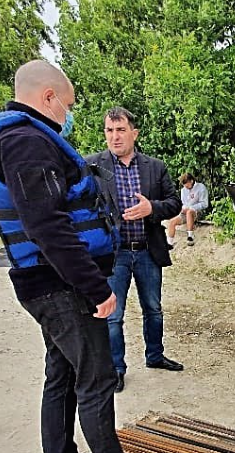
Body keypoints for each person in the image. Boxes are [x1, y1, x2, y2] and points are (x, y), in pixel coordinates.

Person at [0, 60, 167, 453]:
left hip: (49, 280)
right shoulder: (25, 141)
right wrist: (95, 287)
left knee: (60, 371)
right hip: (59, 284)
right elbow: (48, 225)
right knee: (96, 377)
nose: (69, 113)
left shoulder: (17, 138)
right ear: (48, 97)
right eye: (68, 103)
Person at [85, 107, 184, 393]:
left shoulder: (155, 167)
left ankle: (154, 355)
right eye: (109, 130)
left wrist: (151, 208)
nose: (114, 137)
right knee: (113, 315)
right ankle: (116, 368)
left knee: (153, 309)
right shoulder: (92, 166)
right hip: (113, 255)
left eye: (120, 130)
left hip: (147, 251)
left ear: (134, 133)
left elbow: (174, 203)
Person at [167, 173, 209, 247]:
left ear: (191, 181)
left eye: (186, 184)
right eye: (184, 185)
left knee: (189, 212)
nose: (185, 186)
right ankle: (169, 243)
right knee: (172, 222)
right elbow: (183, 203)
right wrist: (182, 209)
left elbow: (205, 204)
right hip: (185, 212)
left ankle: (190, 236)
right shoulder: (183, 190)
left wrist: (191, 208)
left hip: (198, 211)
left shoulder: (201, 187)